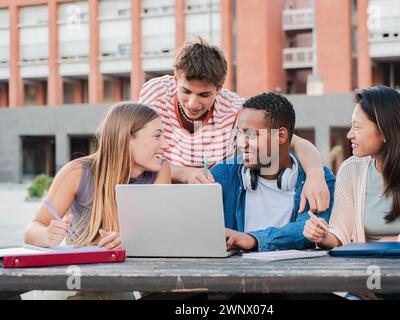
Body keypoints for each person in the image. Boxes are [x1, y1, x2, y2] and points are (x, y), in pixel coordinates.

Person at [139, 37, 330, 213]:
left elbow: (294, 142)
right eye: (186, 91)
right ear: (175, 80)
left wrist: (315, 175)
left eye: (204, 95)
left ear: (219, 88)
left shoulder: (234, 108)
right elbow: (138, 154)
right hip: (156, 196)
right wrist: (183, 173)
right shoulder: (155, 93)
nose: (192, 103)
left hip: (208, 204)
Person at [303, 86, 400, 299]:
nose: (349, 134)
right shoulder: (350, 169)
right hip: (367, 290)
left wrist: (392, 243)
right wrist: (323, 235)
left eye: (357, 127)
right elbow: (340, 235)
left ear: (384, 130)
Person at [23, 102, 170, 300]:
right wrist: (47, 235)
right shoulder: (76, 173)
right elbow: (32, 229)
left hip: (116, 283)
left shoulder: (160, 171)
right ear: (127, 139)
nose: (165, 144)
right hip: (73, 281)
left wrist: (133, 239)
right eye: (157, 136)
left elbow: (162, 232)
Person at [210, 92, 335, 252]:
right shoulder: (225, 174)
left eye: (251, 135)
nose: (242, 143)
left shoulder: (317, 180)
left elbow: (307, 231)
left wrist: (253, 239)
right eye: (240, 133)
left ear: (281, 135)